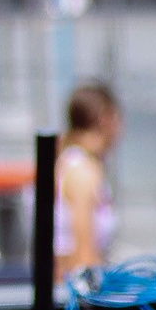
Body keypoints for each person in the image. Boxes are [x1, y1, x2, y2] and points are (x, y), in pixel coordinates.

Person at [55, 80, 119, 280]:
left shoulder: (73, 162)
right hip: (72, 291)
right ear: (105, 119)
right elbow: (84, 258)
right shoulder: (83, 173)